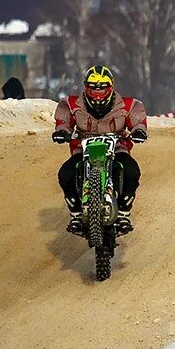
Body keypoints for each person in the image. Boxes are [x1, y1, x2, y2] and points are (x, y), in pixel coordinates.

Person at [52, 65, 148, 236]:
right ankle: (76, 213)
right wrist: (62, 131)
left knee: (132, 171)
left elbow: (137, 118)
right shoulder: (73, 104)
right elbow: (63, 119)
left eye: (102, 88)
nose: (98, 93)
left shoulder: (126, 105)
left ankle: (124, 212)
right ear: (85, 88)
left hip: (117, 148)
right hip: (82, 150)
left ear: (111, 87)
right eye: (93, 88)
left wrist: (139, 131)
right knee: (65, 174)